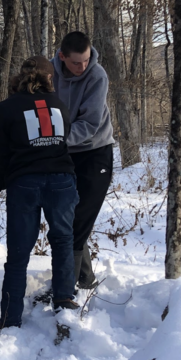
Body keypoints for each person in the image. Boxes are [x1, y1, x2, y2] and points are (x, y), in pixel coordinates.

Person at [0, 56, 79, 328]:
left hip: (24, 181)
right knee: (63, 241)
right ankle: (64, 300)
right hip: (62, 179)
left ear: (19, 76)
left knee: (18, 254)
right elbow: (64, 140)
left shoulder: (6, 108)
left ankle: (10, 317)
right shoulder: (60, 105)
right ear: (49, 78)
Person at [51, 31, 116, 289]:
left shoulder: (97, 75)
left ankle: (64, 291)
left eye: (87, 60)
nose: (83, 67)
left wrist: (53, 139)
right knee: (69, 220)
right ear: (62, 57)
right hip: (65, 154)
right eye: (76, 62)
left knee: (79, 222)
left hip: (96, 153)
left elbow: (89, 124)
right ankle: (86, 280)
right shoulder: (50, 73)